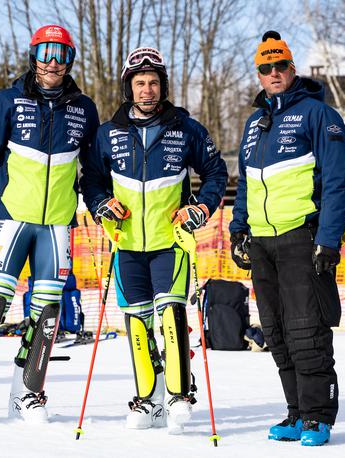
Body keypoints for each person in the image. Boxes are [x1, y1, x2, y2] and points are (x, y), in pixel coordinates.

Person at [80, 47, 228, 434]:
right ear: (129, 87)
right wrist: (101, 203)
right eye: (140, 83)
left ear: (163, 87)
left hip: (170, 242)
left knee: (171, 315)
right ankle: (148, 399)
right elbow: (91, 180)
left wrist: (200, 209)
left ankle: (179, 395)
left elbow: (216, 173)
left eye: (154, 83)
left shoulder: (185, 128)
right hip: (127, 245)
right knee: (137, 323)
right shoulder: (107, 133)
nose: (147, 90)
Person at [0, 24, 99, 423]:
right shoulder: (7, 100)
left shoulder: (83, 108)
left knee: (47, 313)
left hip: (56, 225)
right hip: (10, 220)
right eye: (45, 52)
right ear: (33, 56)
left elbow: (91, 170)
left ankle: (28, 392)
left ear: (70, 60)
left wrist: (100, 206)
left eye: (60, 54)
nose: (52, 62)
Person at [229, 31, 345, 446]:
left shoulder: (319, 114)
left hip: (302, 236)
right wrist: (239, 230)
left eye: (280, 65)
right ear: (259, 74)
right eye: (266, 67)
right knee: (277, 332)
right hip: (262, 242)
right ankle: (296, 412)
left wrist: (329, 239)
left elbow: (337, 182)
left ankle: (319, 416)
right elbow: (246, 182)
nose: (274, 73)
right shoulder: (254, 122)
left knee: (307, 330)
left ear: (292, 68)